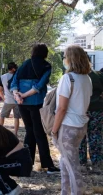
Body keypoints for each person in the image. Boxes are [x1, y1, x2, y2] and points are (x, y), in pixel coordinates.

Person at [10, 43, 59, 174]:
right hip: (36, 103)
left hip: (22, 103)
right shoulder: (46, 66)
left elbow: (14, 83)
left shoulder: (24, 64)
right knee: (39, 133)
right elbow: (40, 85)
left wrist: (18, 96)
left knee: (29, 132)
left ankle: (26, 164)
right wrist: (24, 95)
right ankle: (48, 166)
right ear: (45, 53)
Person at [51, 45, 92, 195]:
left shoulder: (67, 78)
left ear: (71, 59)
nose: (64, 59)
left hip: (68, 127)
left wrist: (54, 130)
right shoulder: (87, 79)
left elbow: (61, 109)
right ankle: (65, 191)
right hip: (81, 126)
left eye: (65, 56)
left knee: (72, 165)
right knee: (65, 161)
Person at [79, 68, 103, 170]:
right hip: (98, 109)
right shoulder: (98, 75)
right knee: (96, 137)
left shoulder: (77, 76)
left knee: (80, 137)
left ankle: (81, 162)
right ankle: (97, 163)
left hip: (81, 109)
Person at [0, 62, 21, 136]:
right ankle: (16, 133)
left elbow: (0, 90)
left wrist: (3, 98)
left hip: (8, 100)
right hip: (17, 100)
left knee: (2, 116)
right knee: (16, 117)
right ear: (14, 68)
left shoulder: (2, 77)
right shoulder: (18, 76)